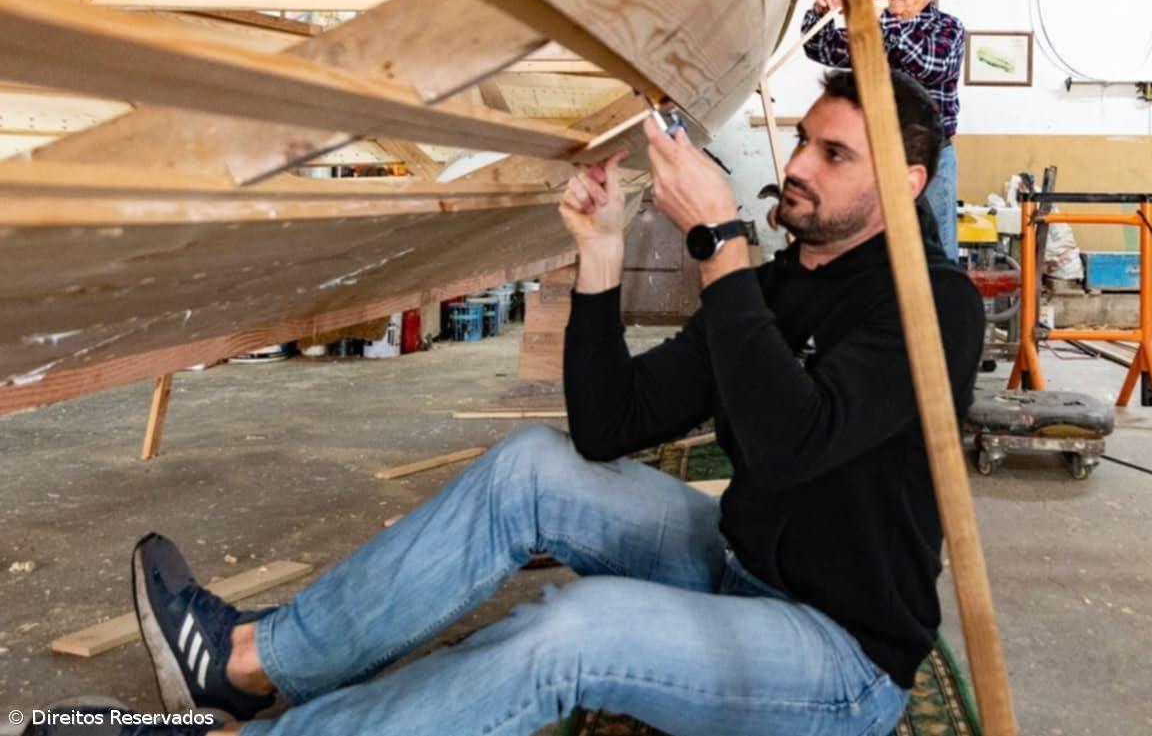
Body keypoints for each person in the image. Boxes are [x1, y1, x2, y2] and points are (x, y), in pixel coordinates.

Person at [25, 70, 984, 736]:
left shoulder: (934, 304)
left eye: (836, 154)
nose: (803, 166)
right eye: (806, 143)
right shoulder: (780, 284)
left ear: (906, 184)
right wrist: (601, 259)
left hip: (836, 654)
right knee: (530, 467)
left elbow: (790, 444)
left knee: (570, 630)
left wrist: (722, 243)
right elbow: (610, 428)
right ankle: (242, 664)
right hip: (741, 565)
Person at [802, 0, 966, 261]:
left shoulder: (948, 29)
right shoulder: (875, 31)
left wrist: (882, 25)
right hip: (876, 155)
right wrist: (820, 12)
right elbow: (820, 48)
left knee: (939, 248)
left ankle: (944, 308)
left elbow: (927, 64)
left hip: (930, 156)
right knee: (874, 245)